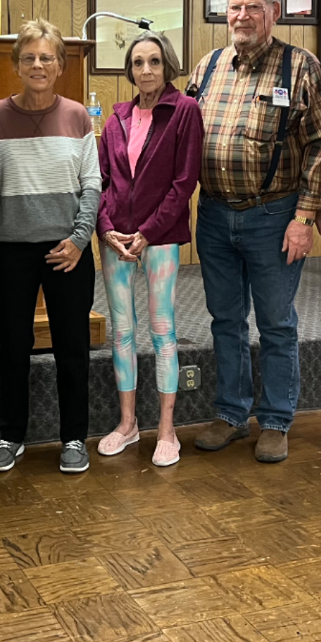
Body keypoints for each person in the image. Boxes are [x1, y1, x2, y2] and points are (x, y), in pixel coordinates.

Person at [190, 0, 321, 464]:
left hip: (274, 216)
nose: (242, 17)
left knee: (276, 322)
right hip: (212, 215)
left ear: (274, 12)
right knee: (225, 319)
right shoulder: (208, 66)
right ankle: (231, 414)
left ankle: (275, 420)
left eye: (253, 7)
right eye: (234, 8)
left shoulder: (300, 66)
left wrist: (305, 215)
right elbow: (182, 137)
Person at [0, 20, 100, 474]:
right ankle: (10, 436)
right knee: (13, 345)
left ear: (61, 65)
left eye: (47, 57)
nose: (38, 65)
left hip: (68, 249)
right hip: (11, 248)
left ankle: (73, 438)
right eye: (28, 57)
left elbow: (92, 184)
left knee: (72, 345)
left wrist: (78, 239)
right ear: (16, 65)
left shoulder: (77, 116)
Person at [96, 32, 203, 466]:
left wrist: (149, 231)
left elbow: (184, 182)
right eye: (138, 62)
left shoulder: (184, 111)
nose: (146, 70)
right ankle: (127, 424)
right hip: (115, 240)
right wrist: (106, 228)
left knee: (162, 330)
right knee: (121, 332)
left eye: (154, 62)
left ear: (167, 65)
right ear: (129, 69)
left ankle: (166, 429)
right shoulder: (116, 117)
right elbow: (100, 181)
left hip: (160, 238)